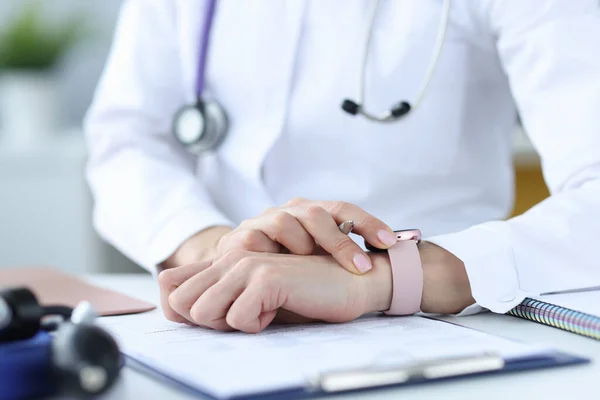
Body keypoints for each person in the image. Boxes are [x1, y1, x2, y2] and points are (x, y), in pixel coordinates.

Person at [84, 0, 600, 333]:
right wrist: (220, 251)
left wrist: (386, 276)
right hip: (221, 322)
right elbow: (125, 140)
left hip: (447, 322)